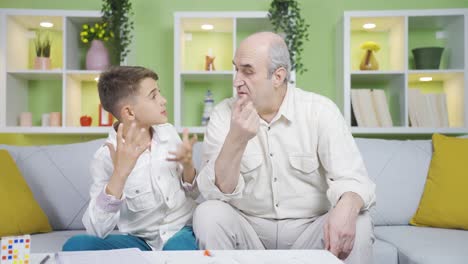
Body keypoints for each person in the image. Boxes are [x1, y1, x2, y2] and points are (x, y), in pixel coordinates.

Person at [193, 32, 376, 264]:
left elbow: (354, 179)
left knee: (359, 219)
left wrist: (347, 206)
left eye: (247, 71)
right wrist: (236, 139)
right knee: (208, 213)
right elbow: (216, 192)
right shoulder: (222, 114)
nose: (236, 80)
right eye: (236, 69)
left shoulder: (320, 111)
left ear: (278, 76)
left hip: (312, 232)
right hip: (248, 230)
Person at [63, 66, 199, 251]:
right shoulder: (105, 157)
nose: (163, 100)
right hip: (140, 242)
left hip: (180, 232)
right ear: (129, 112)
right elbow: (97, 229)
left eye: (159, 93)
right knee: (76, 246)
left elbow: (194, 194)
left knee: (178, 250)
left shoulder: (168, 133)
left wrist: (188, 165)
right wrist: (120, 173)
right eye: (153, 96)